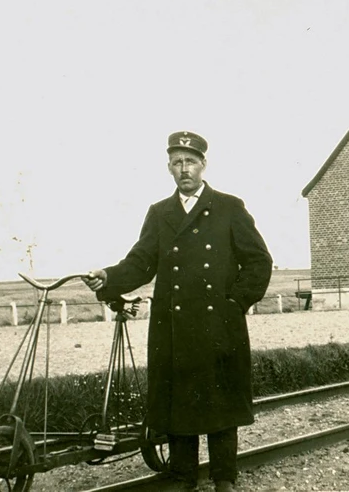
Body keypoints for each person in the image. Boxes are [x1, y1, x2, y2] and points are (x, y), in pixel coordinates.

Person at [83, 131, 273, 491]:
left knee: (220, 402)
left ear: (204, 165)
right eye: (177, 163)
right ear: (168, 168)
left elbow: (259, 262)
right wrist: (108, 277)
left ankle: (224, 477)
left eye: (190, 161)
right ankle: (183, 475)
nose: (184, 169)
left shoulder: (230, 207)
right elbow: (140, 263)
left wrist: (235, 303)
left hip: (220, 322)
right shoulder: (160, 213)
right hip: (173, 325)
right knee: (178, 400)